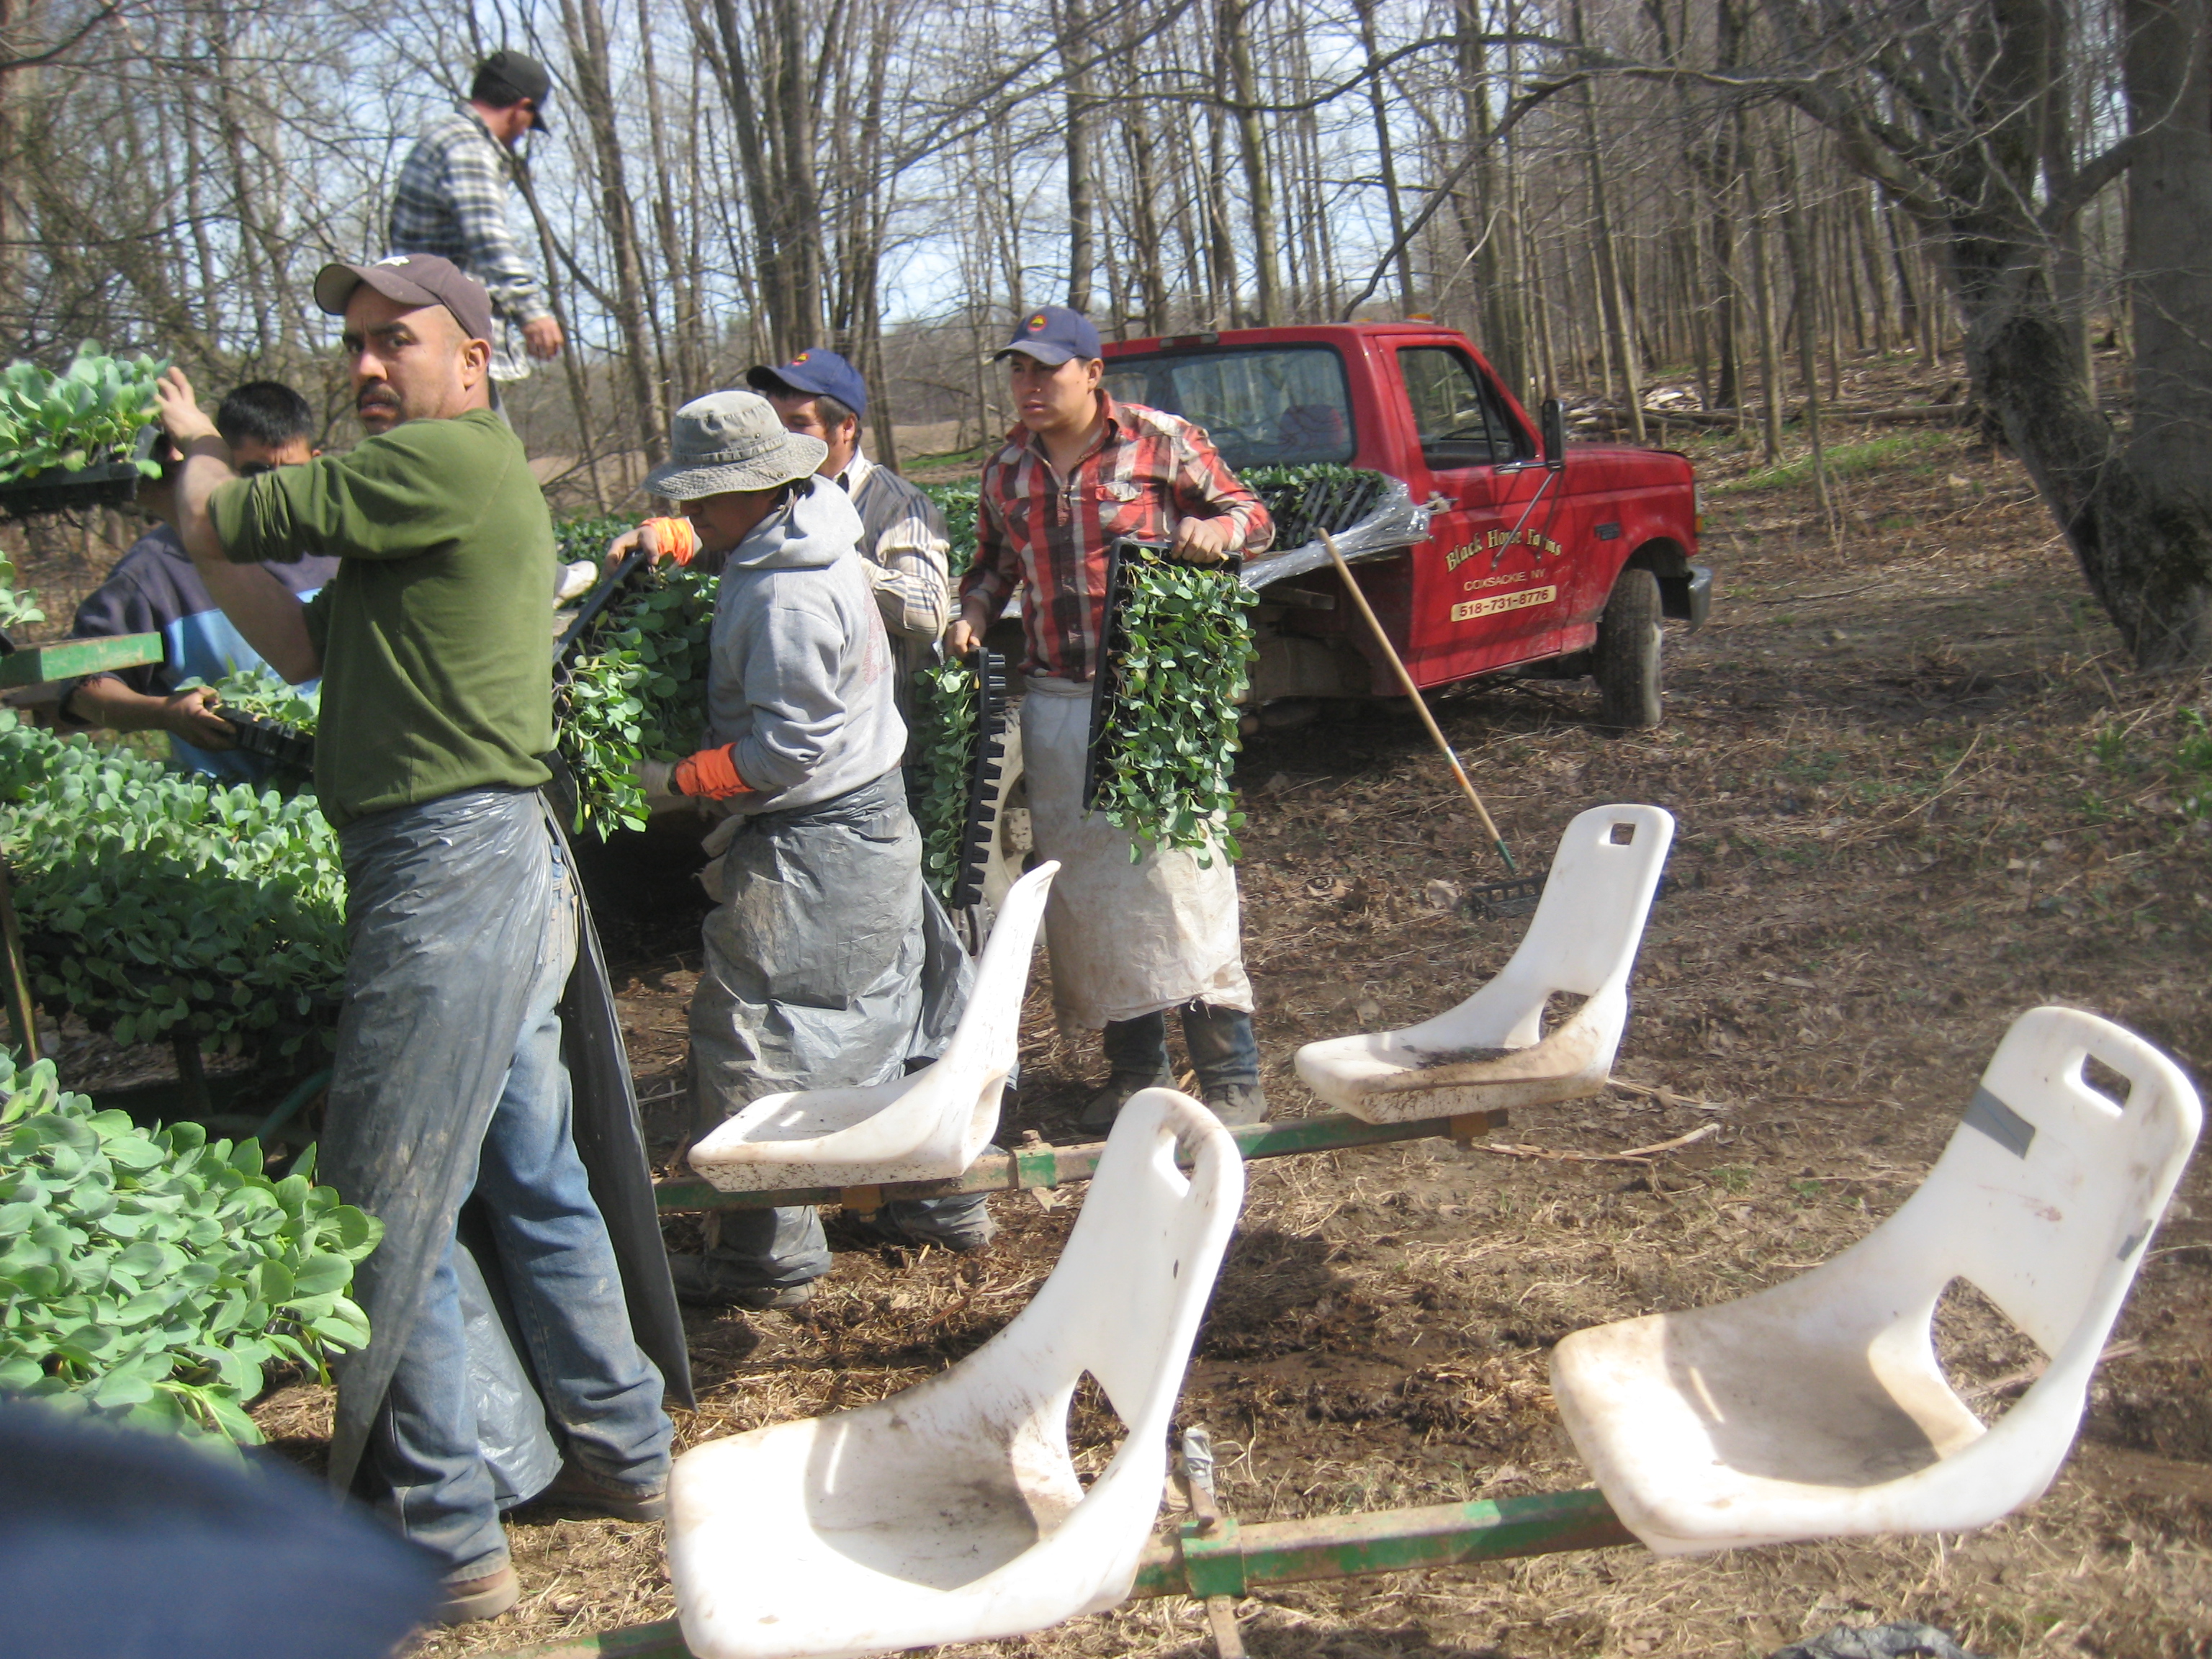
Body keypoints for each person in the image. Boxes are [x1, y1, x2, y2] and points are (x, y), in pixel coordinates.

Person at [150, 253, 670, 1625]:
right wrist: (204, 520)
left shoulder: (449, 459)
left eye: (397, 341)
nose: (370, 366)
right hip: (481, 861)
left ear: (475, 360)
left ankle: (450, 1531)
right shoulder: (427, 499)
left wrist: (198, 457)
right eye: (357, 348)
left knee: (389, 1205)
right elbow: (300, 645)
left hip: (445, 872)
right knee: (530, 1166)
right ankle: (624, 1450)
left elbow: (249, 510)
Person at [616, 390, 986, 1309]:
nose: (695, 514)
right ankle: (934, 1202)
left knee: (758, 1036)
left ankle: (765, 1257)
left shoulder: (782, 596)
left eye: (705, 501)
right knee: (895, 1003)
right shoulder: (819, 520)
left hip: (817, 837)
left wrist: (678, 778)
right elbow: (732, 548)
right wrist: (680, 545)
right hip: (876, 818)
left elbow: (787, 752)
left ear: (761, 487)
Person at [947, 305, 1274, 1133]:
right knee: (1089, 890)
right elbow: (990, 564)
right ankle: (1136, 1073)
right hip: (1058, 698)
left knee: (1181, 880)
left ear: (1093, 374)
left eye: (1046, 371)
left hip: (1156, 699)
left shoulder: (1161, 440)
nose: (1029, 386)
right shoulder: (1006, 472)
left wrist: (1214, 528)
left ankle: (1230, 1075)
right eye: (1018, 371)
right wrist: (976, 609)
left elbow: (1256, 516)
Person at [62, 382, 339, 783]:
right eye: (255, 472)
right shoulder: (153, 571)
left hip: (349, 801)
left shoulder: (340, 548)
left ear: (315, 462)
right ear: (217, 463)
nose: (272, 491)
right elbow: (82, 689)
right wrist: (165, 713)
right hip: (236, 823)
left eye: (291, 474)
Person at [745, 347, 951, 727]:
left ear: (847, 427)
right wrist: (673, 535)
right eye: (776, 424)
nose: (782, 440)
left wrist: (835, 560)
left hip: (887, 741)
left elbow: (928, 615)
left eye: (799, 424)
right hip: (797, 735)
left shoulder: (898, 506)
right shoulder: (770, 498)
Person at [387, 51, 564, 392]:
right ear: (520, 108)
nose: (524, 133)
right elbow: (489, 241)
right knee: (483, 441)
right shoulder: (467, 147)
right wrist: (533, 313)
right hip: (446, 338)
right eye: (530, 121)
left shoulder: (445, 137)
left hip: (427, 331)